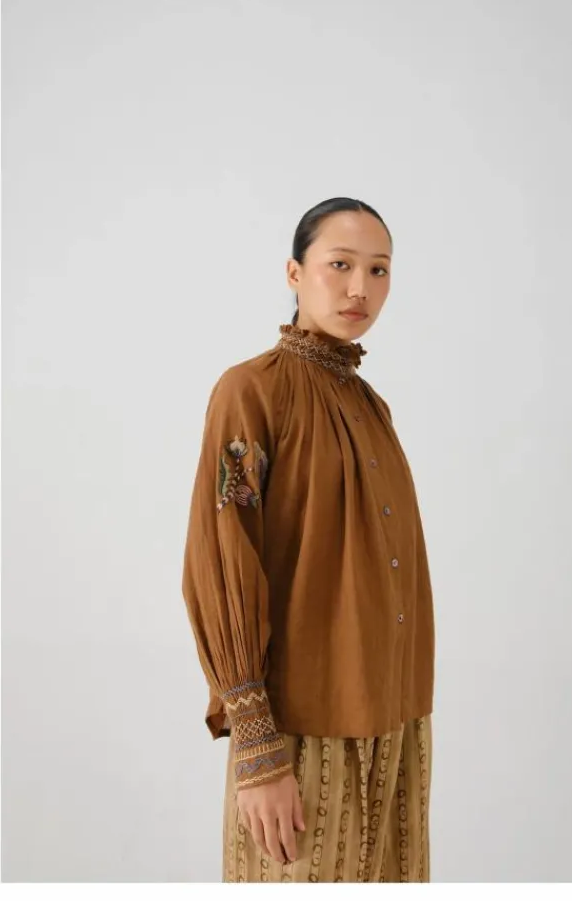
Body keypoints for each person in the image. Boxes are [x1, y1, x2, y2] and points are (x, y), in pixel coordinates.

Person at [181, 197, 435, 882]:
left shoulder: (370, 405)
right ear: (295, 273)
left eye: (378, 270)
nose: (360, 289)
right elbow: (223, 556)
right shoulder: (251, 393)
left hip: (397, 726)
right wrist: (257, 749)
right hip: (299, 735)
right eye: (340, 265)